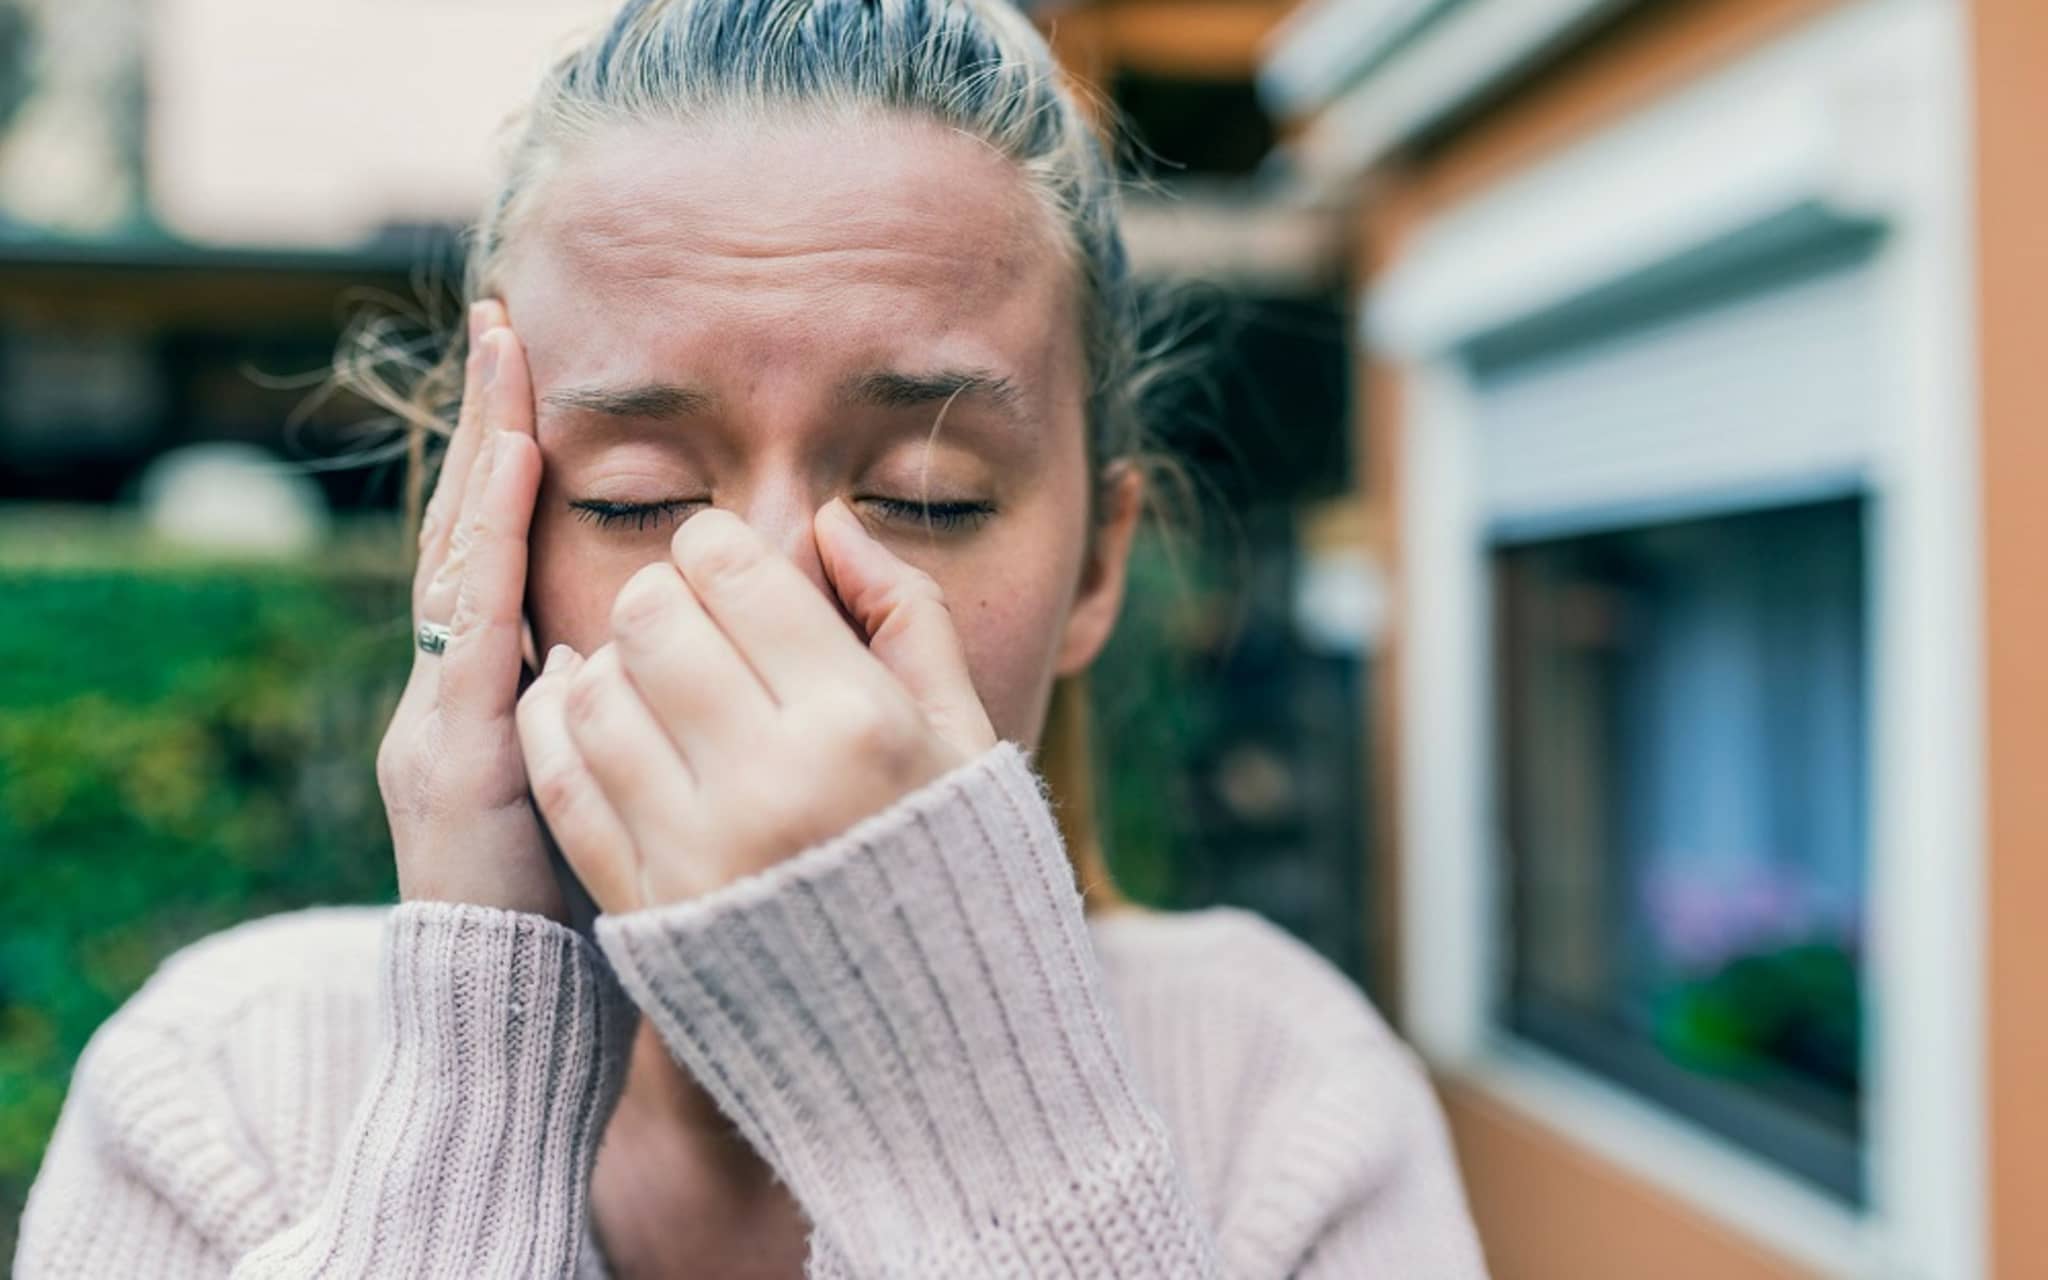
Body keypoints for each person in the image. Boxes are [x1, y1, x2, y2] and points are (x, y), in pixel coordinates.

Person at [13, 0, 1488, 1275]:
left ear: (1099, 564)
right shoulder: (218, 1093)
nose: (764, 594)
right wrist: (481, 1071)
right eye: (635, 496)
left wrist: (984, 1128)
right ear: (471, 533)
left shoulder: (1292, 1102)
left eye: (928, 496)